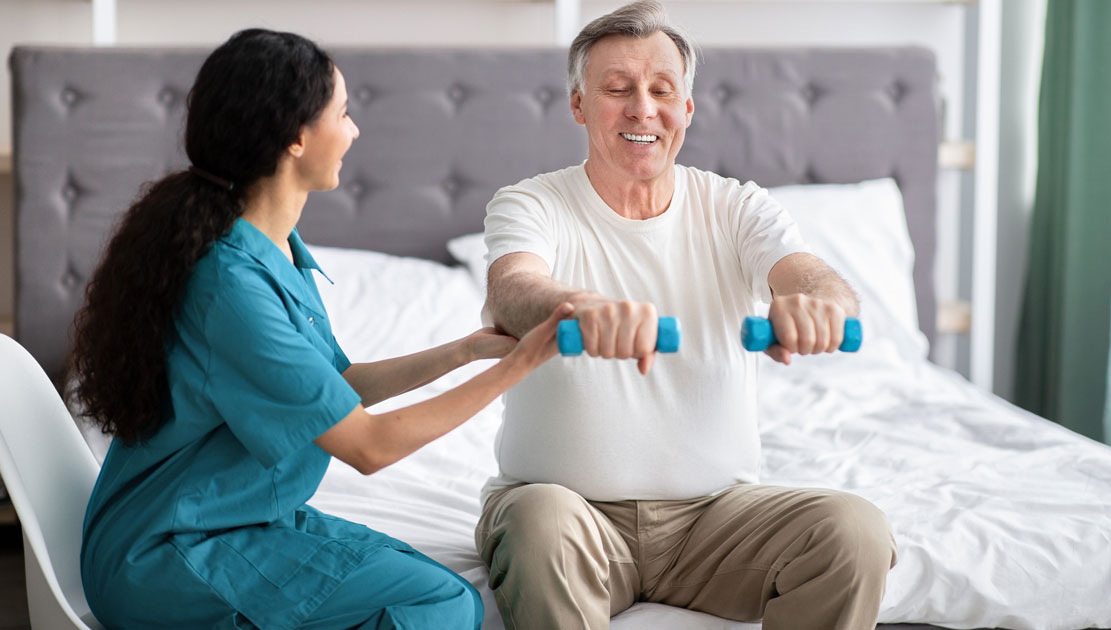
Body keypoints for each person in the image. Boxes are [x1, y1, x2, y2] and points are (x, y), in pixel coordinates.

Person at [70, 29, 570, 630]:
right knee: (440, 604)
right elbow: (367, 446)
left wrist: (465, 351)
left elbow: (337, 384)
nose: (354, 131)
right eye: (345, 113)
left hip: (239, 521)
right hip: (167, 556)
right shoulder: (230, 284)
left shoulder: (274, 250)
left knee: (440, 583)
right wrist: (519, 366)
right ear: (296, 138)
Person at [474, 2, 898, 629]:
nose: (642, 109)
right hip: (569, 515)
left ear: (687, 110)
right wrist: (580, 308)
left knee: (855, 530)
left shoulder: (736, 207)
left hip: (715, 521)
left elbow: (807, 275)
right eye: (617, 89)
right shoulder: (532, 203)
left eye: (661, 90)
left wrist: (819, 306)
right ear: (579, 105)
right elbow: (512, 288)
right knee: (539, 520)